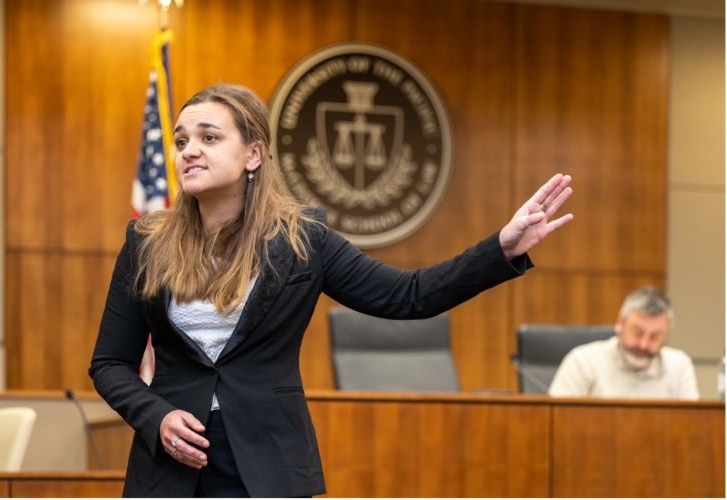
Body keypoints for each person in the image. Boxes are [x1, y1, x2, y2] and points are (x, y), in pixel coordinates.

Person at [89, 83, 573, 498]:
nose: (189, 149)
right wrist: (157, 417)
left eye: (209, 137)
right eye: (181, 140)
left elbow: (410, 296)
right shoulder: (146, 242)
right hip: (169, 466)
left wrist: (501, 249)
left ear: (253, 154)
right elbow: (110, 363)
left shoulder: (303, 240)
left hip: (268, 466)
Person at [548, 286, 699, 400]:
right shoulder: (582, 362)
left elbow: (692, 428)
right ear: (620, 323)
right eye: (637, 332)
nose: (643, 345)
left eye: (655, 336)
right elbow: (555, 421)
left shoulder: (680, 366)